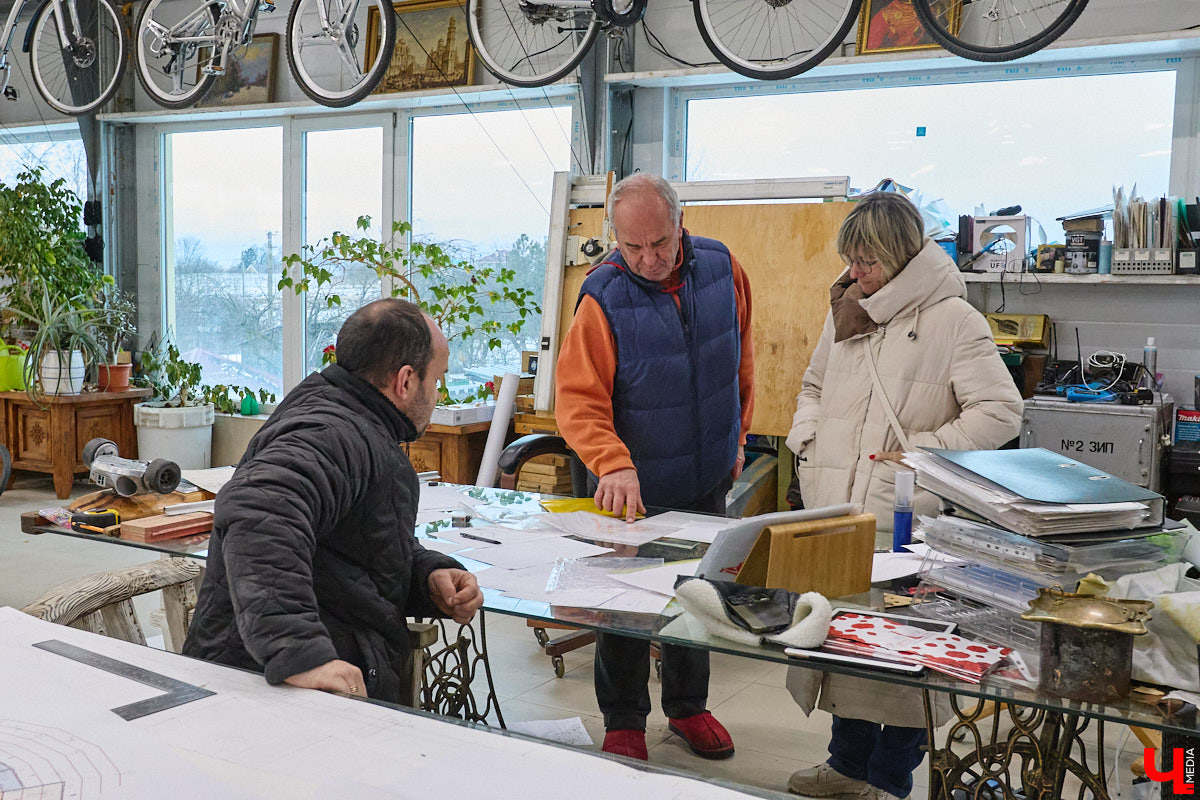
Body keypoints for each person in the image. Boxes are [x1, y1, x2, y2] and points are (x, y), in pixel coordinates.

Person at [784, 192, 1022, 800]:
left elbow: (1000, 412)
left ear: (900, 256)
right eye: (850, 260)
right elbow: (813, 384)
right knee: (845, 642)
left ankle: (887, 783)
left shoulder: (953, 320)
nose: (853, 274)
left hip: (904, 517)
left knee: (903, 656)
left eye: (866, 261)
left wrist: (922, 451)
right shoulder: (847, 307)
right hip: (834, 506)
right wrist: (806, 436)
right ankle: (844, 768)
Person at [183, 298, 484, 704]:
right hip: (264, 694)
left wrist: (426, 576)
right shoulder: (335, 430)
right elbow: (260, 507)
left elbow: (351, 551)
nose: (436, 392)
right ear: (406, 380)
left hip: (304, 678)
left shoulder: (351, 417)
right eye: (437, 379)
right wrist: (299, 652)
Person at [555, 172, 755, 762]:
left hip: (706, 472)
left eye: (659, 244)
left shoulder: (723, 269)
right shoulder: (602, 296)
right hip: (631, 489)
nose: (647, 259)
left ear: (680, 222)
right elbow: (577, 400)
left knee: (699, 597)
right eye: (632, 246)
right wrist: (612, 465)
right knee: (626, 603)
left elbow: (738, 358)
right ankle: (624, 719)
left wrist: (737, 437)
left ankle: (688, 707)